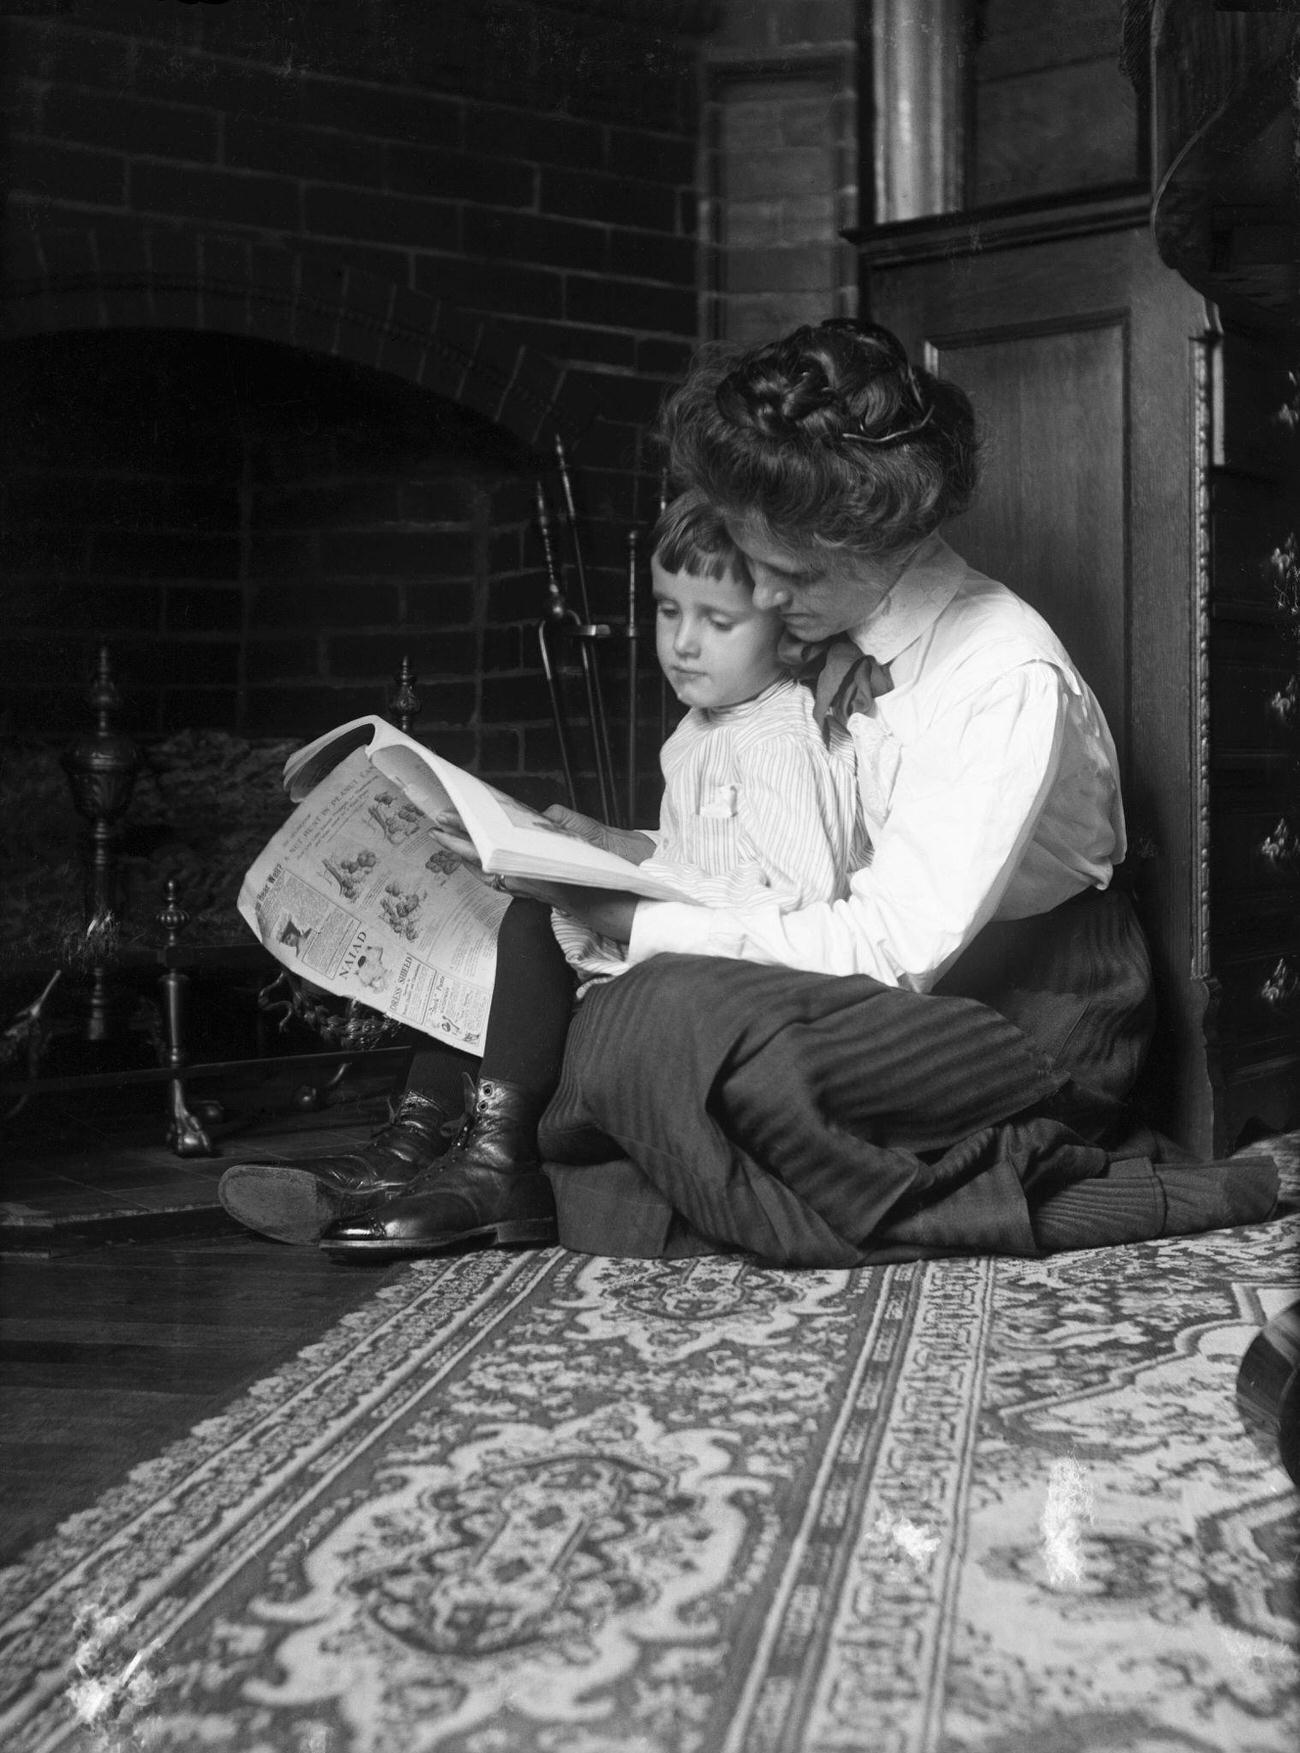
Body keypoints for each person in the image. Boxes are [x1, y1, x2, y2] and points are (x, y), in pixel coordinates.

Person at [219, 489, 863, 1252]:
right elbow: (701, 852)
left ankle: (499, 1160)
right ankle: (406, 1151)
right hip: (675, 936)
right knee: (490, 916)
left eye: (717, 622)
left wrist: (606, 882)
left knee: (534, 919)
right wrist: (614, 844)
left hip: (745, 969)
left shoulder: (782, 737)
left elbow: (796, 897)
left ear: (786, 629)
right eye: (667, 611)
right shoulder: (699, 732)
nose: (684, 643)